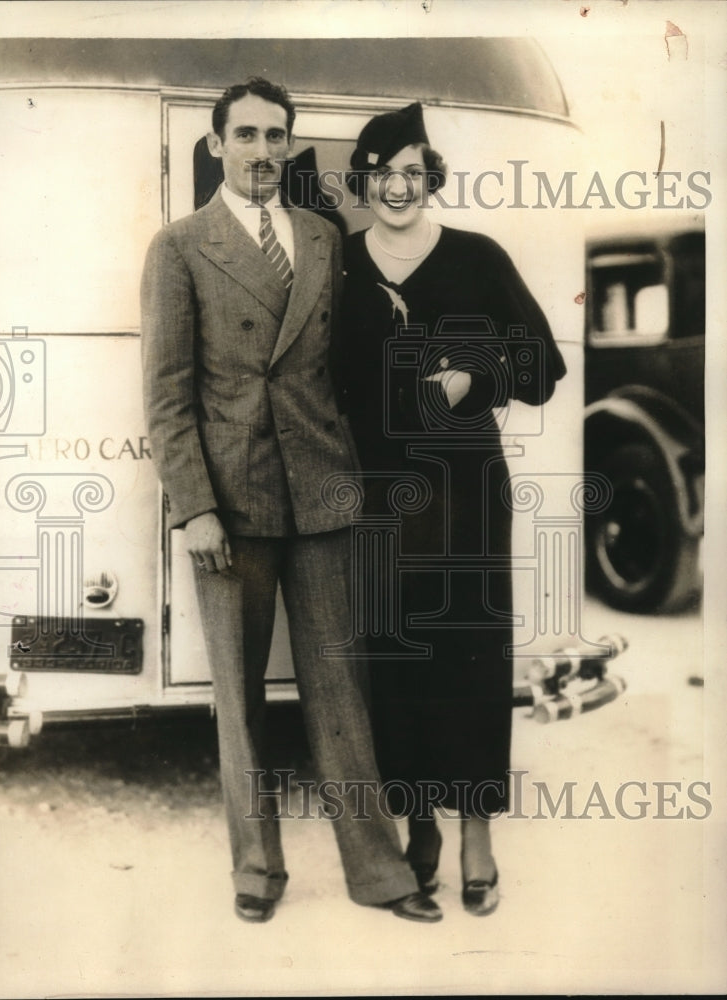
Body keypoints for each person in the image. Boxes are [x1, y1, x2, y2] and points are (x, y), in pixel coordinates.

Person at [140, 79, 440, 924]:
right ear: (216, 144)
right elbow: (167, 397)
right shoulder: (180, 246)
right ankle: (255, 872)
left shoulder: (322, 238)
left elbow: (343, 367)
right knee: (237, 700)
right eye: (247, 135)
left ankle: (379, 874)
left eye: (277, 136)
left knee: (343, 694)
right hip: (230, 507)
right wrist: (193, 506)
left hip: (323, 495)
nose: (264, 152)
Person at [339, 102, 567, 915]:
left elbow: (541, 366)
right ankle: (420, 827)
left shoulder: (475, 257)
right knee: (396, 667)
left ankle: (476, 833)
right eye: (381, 171)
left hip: (467, 494)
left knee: (470, 660)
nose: (396, 186)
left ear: (429, 179)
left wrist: (479, 376)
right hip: (380, 501)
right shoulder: (341, 267)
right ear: (360, 179)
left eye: (412, 171)